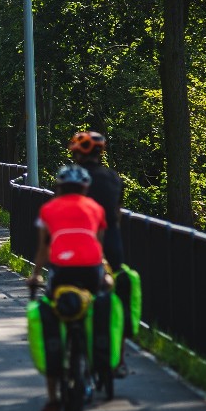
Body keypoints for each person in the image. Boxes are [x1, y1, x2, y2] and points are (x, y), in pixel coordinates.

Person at [26, 164, 107, 411]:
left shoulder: (48, 209)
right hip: (92, 271)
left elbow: (43, 250)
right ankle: (98, 360)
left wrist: (35, 275)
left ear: (59, 187)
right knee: (94, 305)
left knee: (53, 314)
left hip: (62, 271)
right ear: (85, 188)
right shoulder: (96, 209)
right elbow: (98, 244)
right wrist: (105, 273)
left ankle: (53, 399)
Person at [68, 130, 130, 377]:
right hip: (111, 243)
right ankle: (119, 359)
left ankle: (67, 343)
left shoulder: (71, 179)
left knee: (63, 287)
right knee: (117, 295)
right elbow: (117, 213)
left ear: (77, 154)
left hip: (76, 244)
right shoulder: (113, 178)